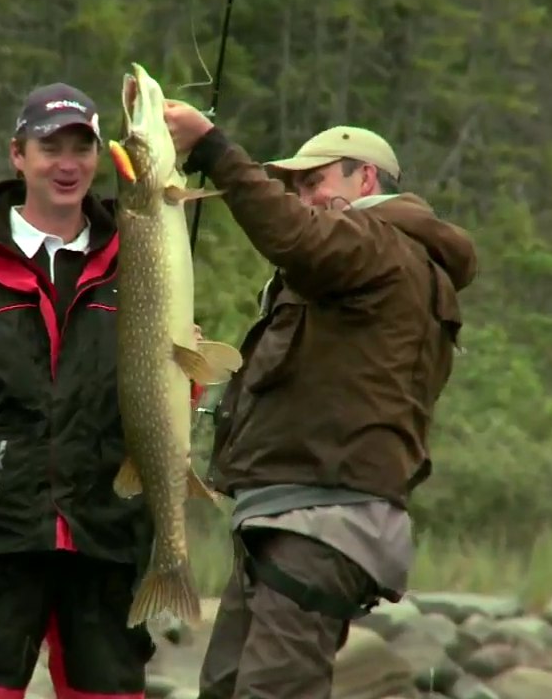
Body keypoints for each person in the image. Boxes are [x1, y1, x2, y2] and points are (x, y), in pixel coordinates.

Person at [161, 108, 480, 699]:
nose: (303, 198)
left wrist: (213, 150)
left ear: (367, 179)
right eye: (297, 187)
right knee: (226, 689)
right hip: (282, 518)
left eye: (315, 181)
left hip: (323, 524)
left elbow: (292, 235)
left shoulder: (381, 245)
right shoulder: (362, 263)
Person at [0, 81, 178, 699]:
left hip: (107, 537)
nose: (67, 163)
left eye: (82, 147)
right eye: (51, 147)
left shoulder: (138, 257)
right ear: (18, 155)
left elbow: (170, 380)